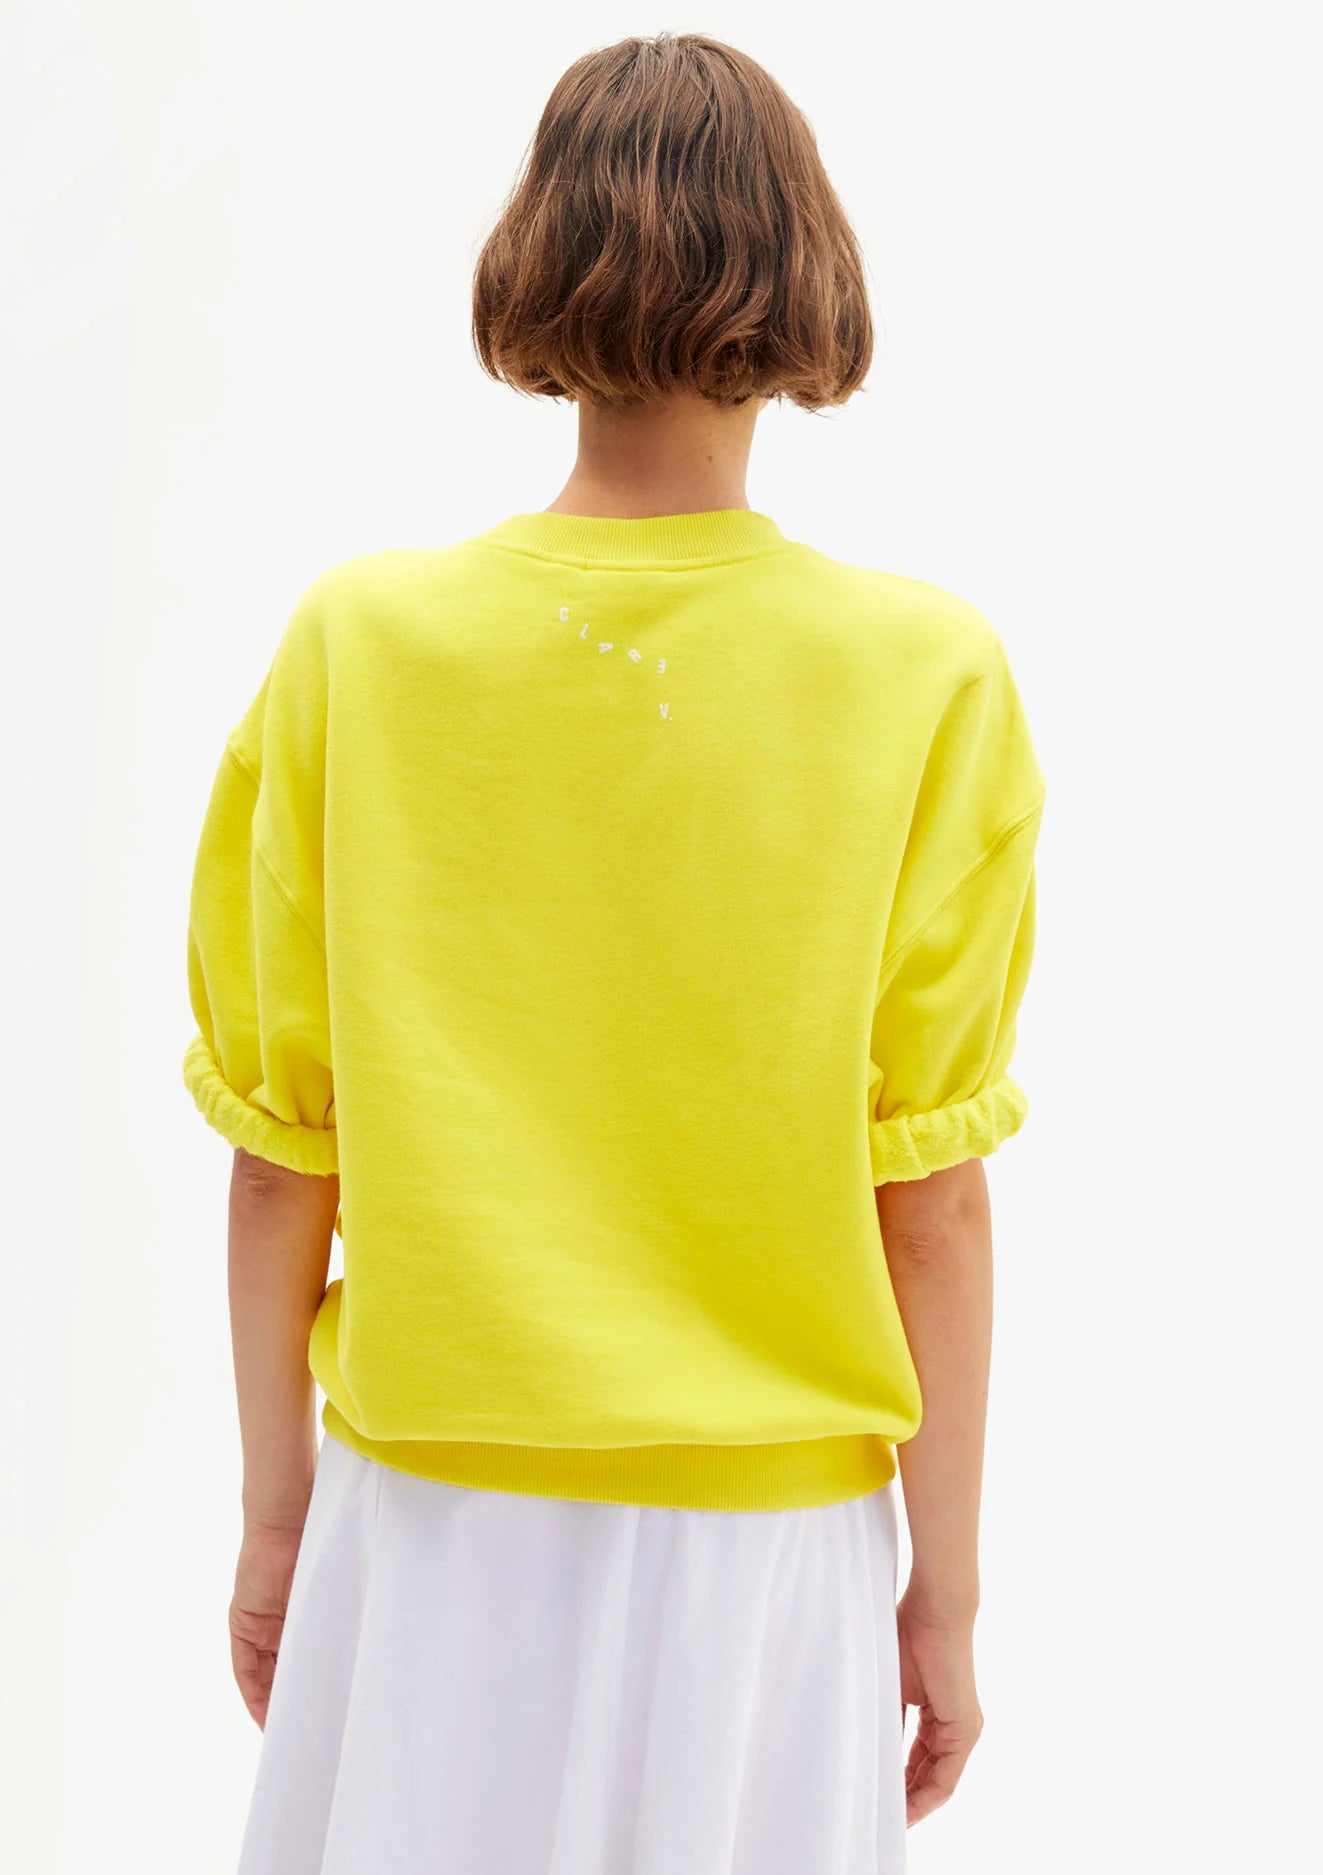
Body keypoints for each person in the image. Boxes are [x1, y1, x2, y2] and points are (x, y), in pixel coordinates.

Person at [182, 32, 1044, 1875]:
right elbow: (934, 1204)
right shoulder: (923, 674)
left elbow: (278, 1161)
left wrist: (275, 1516)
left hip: (432, 1518)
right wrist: (947, 1592)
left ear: (534, 259)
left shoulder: (361, 645)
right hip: (770, 1552)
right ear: (807, 268)